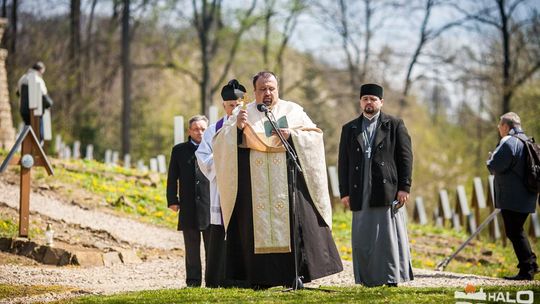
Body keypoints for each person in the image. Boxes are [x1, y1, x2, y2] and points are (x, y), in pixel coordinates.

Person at [212, 71, 343, 289]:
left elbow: (315, 136)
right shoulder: (242, 113)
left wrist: (292, 135)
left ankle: (294, 275)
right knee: (255, 227)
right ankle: (259, 278)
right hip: (255, 188)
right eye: (262, 89)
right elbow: (220, 143)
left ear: (278, 88)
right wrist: (236, 128)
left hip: (287, 183)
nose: (267, 93)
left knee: (292, 226)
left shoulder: (293, 110)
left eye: (271, 88)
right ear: (254, 91)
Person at [338, 83, 413, 287]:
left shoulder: (395, 124)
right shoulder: (349, 128)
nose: (369, 102)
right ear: (360, 102)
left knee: (387, 237)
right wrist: (344, 192)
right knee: (362, 236)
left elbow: (405, 157)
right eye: (365, 99)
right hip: (359, 189)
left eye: (373, 99)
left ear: (381, 102)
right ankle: (366, 279)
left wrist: (404, 187)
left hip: (386, 189)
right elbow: (343, 162)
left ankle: (391, 277)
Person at [195, 79, 247, 288]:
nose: (235, 109)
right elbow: (203, 157)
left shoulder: (254, 125)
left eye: (238, 105)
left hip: (246, 187)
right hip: (222, 188)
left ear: (244, 104)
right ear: (224, 106)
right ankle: (219, 278)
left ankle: (246, 278)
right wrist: (224, 161)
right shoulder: (213, 129)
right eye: (231, 105)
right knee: (221, 232)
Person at [487, 112, 538, 280]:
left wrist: (489, 160)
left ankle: (527, 269)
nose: (499, 129)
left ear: (505, 126)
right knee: (517, 230)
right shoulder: (528, 141)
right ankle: (531, 264)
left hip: (512, 196)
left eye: (499, 126)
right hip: (528, 194)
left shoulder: (509, 142)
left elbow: (496, 165)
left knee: (514, 231)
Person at [166, 115, 211, 287]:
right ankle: (193, 281)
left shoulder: (214, 147)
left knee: (212, 248)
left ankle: (213, 280)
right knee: (192, 248)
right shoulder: (179, 150)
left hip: (210, 205)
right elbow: (172, 178)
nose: (199, 132)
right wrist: (172, 200)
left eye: (203, 129)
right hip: (188, 205)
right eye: (196, 129)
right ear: (189, 131)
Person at [17, 61, 53, 141]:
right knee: (37, 133)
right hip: (36, 111)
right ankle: (36, 149)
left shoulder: (22, 79)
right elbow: (44, 97)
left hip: (23, 110)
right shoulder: (38, 80)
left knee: (27, 129)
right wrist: (50, 104)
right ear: (40, 70)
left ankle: (27, 147)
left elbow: (18, 93)